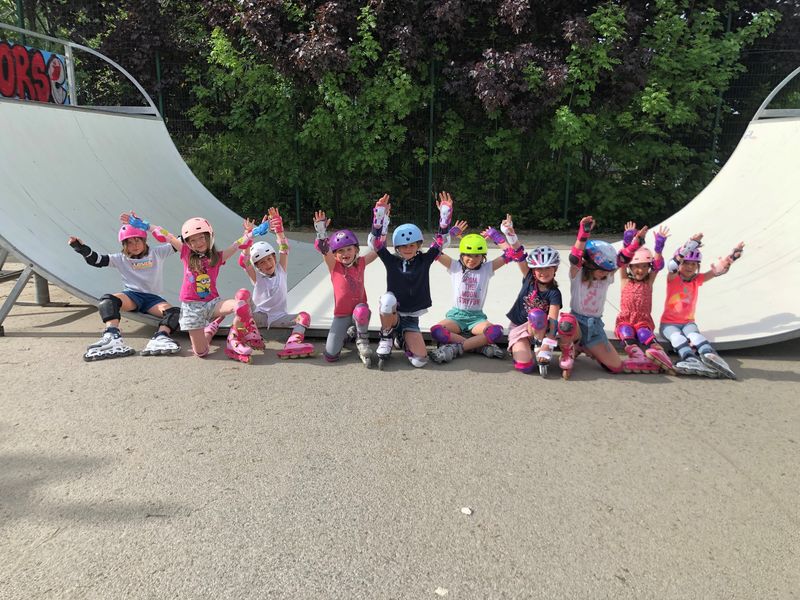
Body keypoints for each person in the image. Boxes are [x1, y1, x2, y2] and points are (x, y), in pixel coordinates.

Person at [123, 211, 269, 360]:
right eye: (193, 240)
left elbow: (237, 244)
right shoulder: (186, 253)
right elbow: (168, 236)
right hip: (191, 308)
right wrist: (146, 226)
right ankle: (210, 329)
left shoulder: (218, 257)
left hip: (212, 303)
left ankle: (235, 339)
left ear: (209, 237)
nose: (198, 243)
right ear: (188, 243)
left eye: (201, 237)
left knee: (240, 306)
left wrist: (253, 233)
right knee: (201, 352)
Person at [558, 215, 661, 379]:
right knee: (566, 323)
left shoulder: (606, 277)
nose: (605, 273)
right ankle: (569, 349)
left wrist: (636, 243)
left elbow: (622, 259)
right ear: (589, 265)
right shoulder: (577, 275)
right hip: (577, 322)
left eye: (608, 270)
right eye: (601, 270)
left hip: (595, 327)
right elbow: (575, 256)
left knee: (616, 367)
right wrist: (583, 234)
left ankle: (585, 346)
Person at [68, 216, 181, 361]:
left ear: (144, 240)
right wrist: (82, 249)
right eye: (129, 242)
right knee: (107, 300)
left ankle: (161, 337)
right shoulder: (120, 258)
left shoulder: (157, 253)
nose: (135, 245)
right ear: (124, 245)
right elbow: (96, 260)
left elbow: (178, 240)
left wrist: (147, 226)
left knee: (175, 313)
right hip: (131, 296)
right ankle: (112, 336)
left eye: (137, 240)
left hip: (153, 300)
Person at [372, 192, 463, 369]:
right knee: (387, 299)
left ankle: (402, 340)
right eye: (404, 246)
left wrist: (445, 218)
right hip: (394, 315)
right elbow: (375, 243)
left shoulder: (424, 260)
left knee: (420, 360)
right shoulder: (391, 260)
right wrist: (379, 216)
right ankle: (386, 335)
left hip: (411, 318)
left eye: (412, 245)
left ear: (418, 246)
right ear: (397, 247)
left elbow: (440, 243)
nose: (408, 249)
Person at [428, 205, 526, 363]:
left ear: (483, 257)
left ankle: (456, 347)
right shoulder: (455, 266)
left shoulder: (487, 268)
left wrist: (497, 236)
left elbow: (511, 254)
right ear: (461, 255)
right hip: (456, 316)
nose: (471, 260)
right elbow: (435, 249)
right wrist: (450, 233)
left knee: (495, 332)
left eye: (476, 256)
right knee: (436, 331)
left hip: (476, 318)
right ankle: (478, 346)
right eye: (467, 255)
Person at [313, 194, 390, 367]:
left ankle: (362, 339)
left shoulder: (361, 263)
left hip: (360, 311)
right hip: (341, 315)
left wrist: (381, 219)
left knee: (361, 311)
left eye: (349, 249)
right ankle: (350, 332)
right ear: (335, 255)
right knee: (330, 355)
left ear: (356, 250)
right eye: (340, 251)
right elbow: (324, 249)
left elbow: (378, 249)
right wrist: (321, 231)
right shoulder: (334, 267)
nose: (345, 254)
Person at [659, 233, 744, 379]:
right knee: (677, 338)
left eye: (693, 264)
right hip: (669, 324)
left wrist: (732, 257)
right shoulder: (673, 278)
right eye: (686, 263)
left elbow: (716, 271)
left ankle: (709, 354)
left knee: (695, 336)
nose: (690, 267)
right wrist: (691, 244)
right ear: (680, 264)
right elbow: (672, 265)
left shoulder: (697, 279)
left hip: (688, 323)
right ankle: (689, 357)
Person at [240, 207, 314, 359]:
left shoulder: (281, 270)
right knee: (242, 295)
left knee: (304, 316)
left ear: (274, 258)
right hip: (259, 316)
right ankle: (243, 336)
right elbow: (245, 261)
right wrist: (248, 236)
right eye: (262, 262)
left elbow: (284, 248)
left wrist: (279, 229)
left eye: (269, 259)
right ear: (258, 266)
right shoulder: (257, 277)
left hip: (280, 317)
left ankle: (294, 342)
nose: (267, 264)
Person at [614, 222, 674, 372]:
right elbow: (622, 260)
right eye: (636, 266)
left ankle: (660, 354)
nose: (640, 270)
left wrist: (659, 247)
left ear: (649, 268)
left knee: (644, 334)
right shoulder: (624, 280)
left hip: (642, 320)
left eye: (644, 266)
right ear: (630, 267)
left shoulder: (649, 281)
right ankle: (638, 356)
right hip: (626, 319)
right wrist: (627, 241)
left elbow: (658, 265)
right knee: (626, 332)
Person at [505, 232, 563, 376]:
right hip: (519, 327)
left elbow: (553, 320)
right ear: (533, 270)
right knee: (525, 366)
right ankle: (522, 349)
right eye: (539, 269)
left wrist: (547, 343)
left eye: (548, 268)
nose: (543, 272)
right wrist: (509, 234)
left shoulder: (554, 293)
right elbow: (517, 253)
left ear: (555, 269)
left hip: (540, 329)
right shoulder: (529, 278)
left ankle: (538, 345)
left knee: (537, 315)